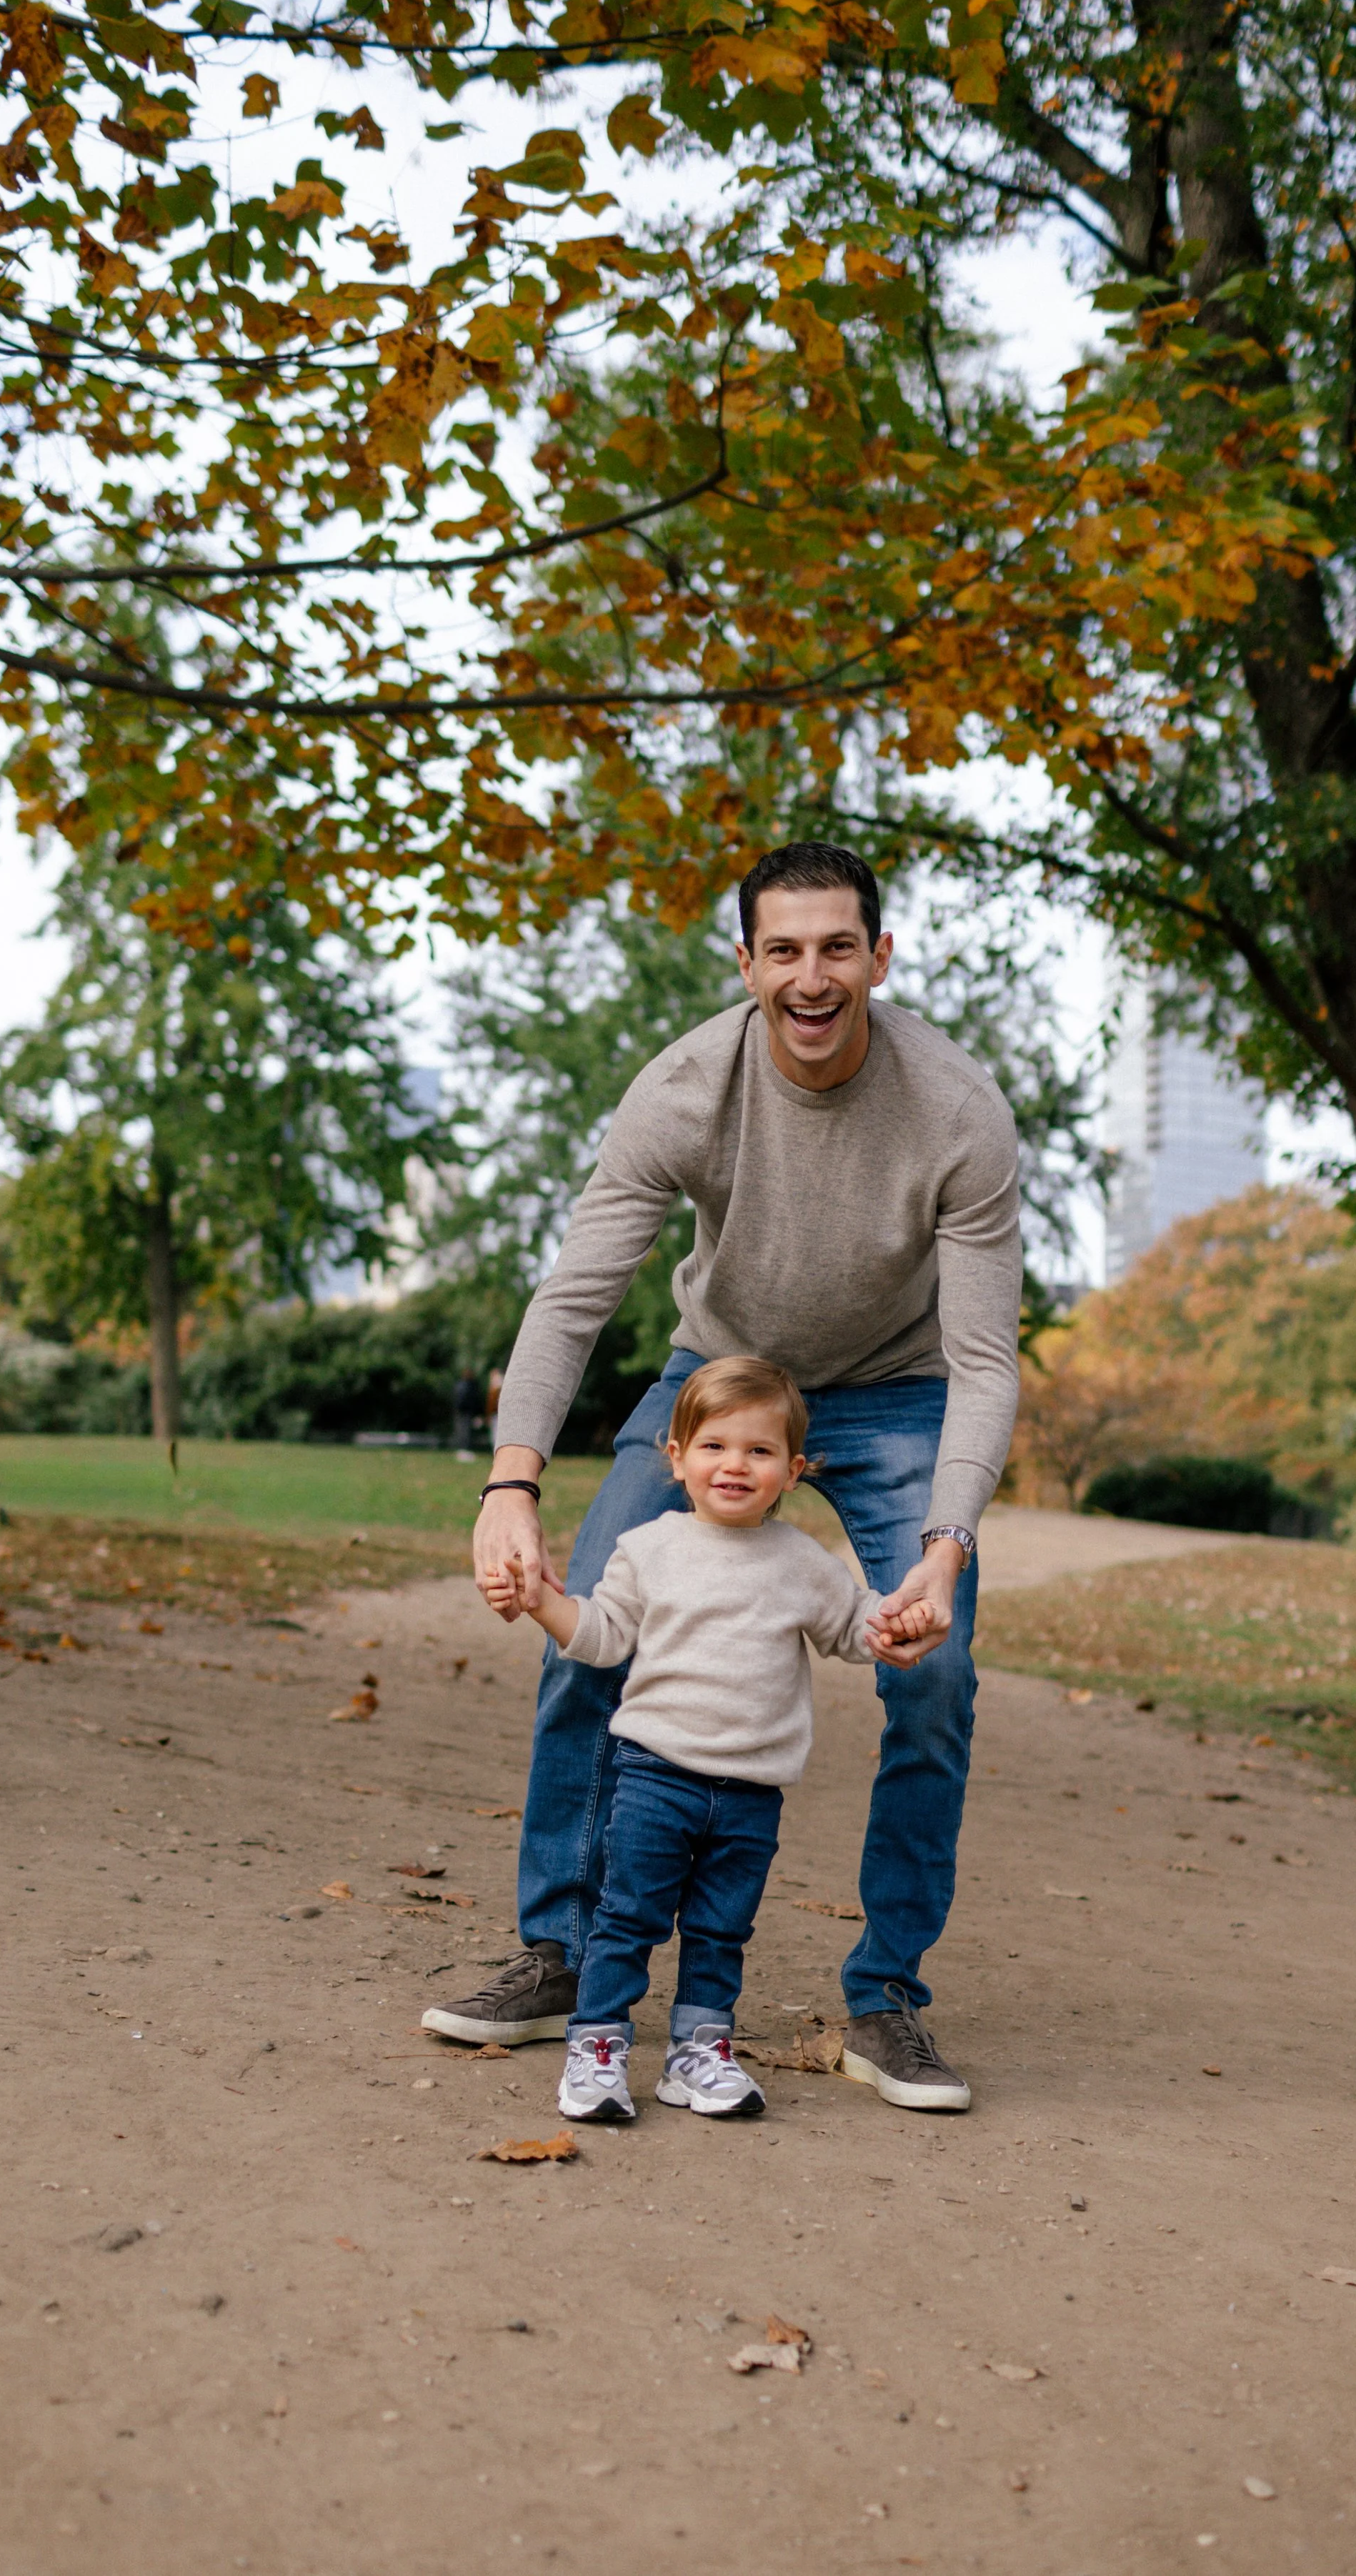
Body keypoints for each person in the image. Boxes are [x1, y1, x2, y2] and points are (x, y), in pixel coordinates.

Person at [424, 841, 1022, 2112]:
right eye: (785, 950)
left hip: (899, 1385)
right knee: (585, 1610)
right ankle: (564, 1951)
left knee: (940, 1669)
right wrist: (509, 1484)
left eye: (839, 947)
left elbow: (983, 1358)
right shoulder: (686, 1088)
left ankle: (887, 2003)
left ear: (880, 956)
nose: (813, 976)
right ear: (746, 962)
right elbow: (576, 1295)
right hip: (720, 1379)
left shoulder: (959, 1111)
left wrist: (945, 1543)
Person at [481, 1356, 932, 2122]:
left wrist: (897, 1626)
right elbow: (598, 1635)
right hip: (655, 1778)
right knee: (629, 1920)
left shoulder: (801, 1563)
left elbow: (852, 1626)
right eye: (715, 1446)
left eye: (758, 1452)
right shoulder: (650, 1548)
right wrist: (537, 1603)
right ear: (677, 1458)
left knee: (722, 1930)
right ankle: (597, 2048)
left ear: (793, 1471)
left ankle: (699, 2051)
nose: (734, 1465)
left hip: (751, 1794)